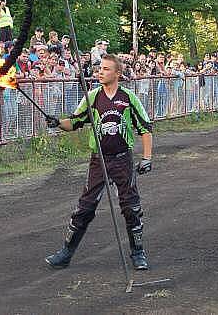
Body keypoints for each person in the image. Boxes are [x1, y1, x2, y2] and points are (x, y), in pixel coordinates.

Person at [44, 54, 153, 270]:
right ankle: (66, 252)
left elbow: (145, 128)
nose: (100, 72)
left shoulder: (128, 98)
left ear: (117, 73)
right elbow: (75, 122)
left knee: (131, 207)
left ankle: (138, 253)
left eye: (105, 69)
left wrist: (147, 158)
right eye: (99, 68)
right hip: (99, 160)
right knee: (85, 207)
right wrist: (57, 123)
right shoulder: (92, 97)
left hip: (123, 160)